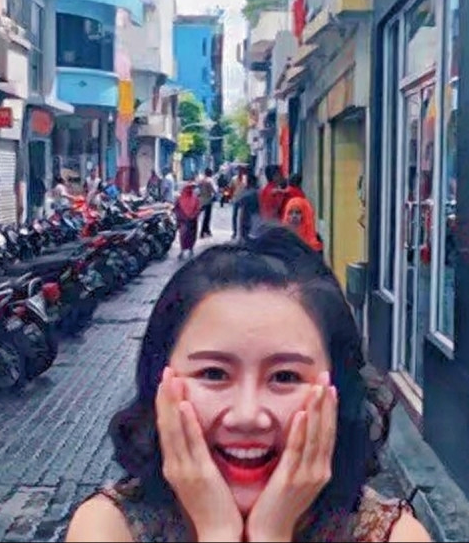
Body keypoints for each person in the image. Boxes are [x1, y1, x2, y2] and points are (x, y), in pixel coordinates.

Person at [65, 226, 430, 543]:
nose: (247, 416)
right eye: (214, 374)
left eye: (285, 377)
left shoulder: (391, 536)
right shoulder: (109, 529)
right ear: (160, 383)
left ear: (338, 391)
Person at [174, 182, 201, 260]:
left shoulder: (195, 198)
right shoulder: (180, 199)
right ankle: (183, 250)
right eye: (188, 188)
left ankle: (190, 249)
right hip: (184, 221)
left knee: (191, 236)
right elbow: (176, 209)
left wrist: (193, 216)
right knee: (184, 236)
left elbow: (198, 209)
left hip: (191, 221)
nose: (190, 190)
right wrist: (181, 217)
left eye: (191, 188)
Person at [236, 173, 260, 241]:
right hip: (257, 221)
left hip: (246, 221)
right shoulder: (259, 193)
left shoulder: (246, 194)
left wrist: (240, 234)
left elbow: (241, 211)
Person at [197, 168, 216, 238]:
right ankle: (203, 231)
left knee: (199, 215)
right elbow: (214, 190)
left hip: (201, 200)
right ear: (210, 173)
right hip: (208, 200)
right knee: (207, 217)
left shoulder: (201, 180)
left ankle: (206, 230)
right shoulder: (210, 181)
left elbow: (197, 189)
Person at [230, 166, 247, 239]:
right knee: (234, 216)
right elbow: (231, 188)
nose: (240, 172)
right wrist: (231, 197)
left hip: (243, 199)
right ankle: (234, 232)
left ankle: (243, 232)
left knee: (243, 216)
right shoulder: (234, 179)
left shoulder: (246, 179)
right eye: (238, 170)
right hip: (236, 198)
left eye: (241, 170)